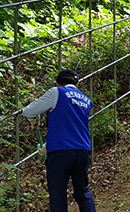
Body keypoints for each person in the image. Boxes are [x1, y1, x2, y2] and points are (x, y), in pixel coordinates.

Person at [19, 70, 96, 211]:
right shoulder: (86, 100)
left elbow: (30, 111)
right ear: (77, 83)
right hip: (82, 150)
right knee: (83, 192)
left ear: (57, 82)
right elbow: (72, 125)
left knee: (58, 196)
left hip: (60, 152)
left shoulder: (56, 92)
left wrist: (23, 112)